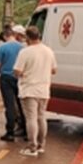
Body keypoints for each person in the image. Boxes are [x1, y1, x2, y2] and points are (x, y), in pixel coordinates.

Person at [13, 26, 56, 157]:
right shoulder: (49, 51)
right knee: (41, 117)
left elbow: (17, 71)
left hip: (29, 89)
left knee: (31, 118)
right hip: (44, 89)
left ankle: (32, 146)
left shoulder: (25, 52)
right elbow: (54, 70)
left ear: (27, 37)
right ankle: (41, 145)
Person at [0, 25, 25, 141]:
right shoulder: (22, 47)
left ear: (5, 36)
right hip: (19, 78)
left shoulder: (2, 47)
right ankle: (25, 130)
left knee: (9, 105)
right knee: (21, 104)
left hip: (6, 78)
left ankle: (10, 132)